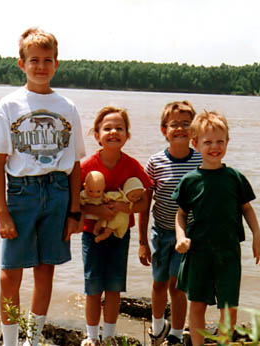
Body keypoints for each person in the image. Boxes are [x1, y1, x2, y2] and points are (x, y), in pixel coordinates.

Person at [0, 27, 86, 346]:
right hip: (21, 193)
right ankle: (11, 341)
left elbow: (74, 164)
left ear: (56, 64)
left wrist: (74, 211)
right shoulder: (9, 105)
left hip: (57, 192)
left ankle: (33, 338)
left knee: (45, 271)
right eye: (34, 60)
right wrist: (2, 212)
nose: (41, 66)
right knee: (10, 271)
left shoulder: (67, 106)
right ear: (21, 64)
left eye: (47, 60)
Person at [172, 110, 260, 346]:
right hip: (199, 253)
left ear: (227, 142)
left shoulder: (234, 177)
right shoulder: (190, 181)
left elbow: (247, 209)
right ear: (195, 144)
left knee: (229, 307)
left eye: (220, 142)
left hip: (228, 253)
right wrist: (180, 237)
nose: (214, 147)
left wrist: (258, 236)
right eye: (208, 142)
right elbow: (180, 215)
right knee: (197, 305)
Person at [79, 106, 153, 346]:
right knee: (93, 286)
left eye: (119, 128)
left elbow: (144, 200)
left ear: (127, 135)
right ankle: (91, 337)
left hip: (120, 235)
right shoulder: (86, 166)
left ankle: (109, 335)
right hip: (92, 234)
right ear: (96, 135)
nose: (113, 132)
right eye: (107, 128)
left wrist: (126, 208)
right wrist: (95, 210)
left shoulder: (131, 166)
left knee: (113, 286)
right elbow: (74, 203)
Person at [138, 101, 202, 346]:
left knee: (177, 286)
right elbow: (145, 205)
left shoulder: (200, 161)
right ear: (164, 130)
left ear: (194, 130)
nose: (180, 129)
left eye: (186, 124)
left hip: (186, 236)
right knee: (158, 284)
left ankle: (176, 333)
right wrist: (143, 242)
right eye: (174, 124)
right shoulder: (155, 163)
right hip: (160, 232)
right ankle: (157, 328)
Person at [80, 171, 107, 239]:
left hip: (99, 216)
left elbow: (106, 200)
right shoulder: (84, 194)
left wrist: (106, 200)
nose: (94, 194)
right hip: (88, 218)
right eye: (90, 191)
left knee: (103, 219)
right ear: (85, 186)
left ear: (104, 187)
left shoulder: (103, 195)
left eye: (98, 191)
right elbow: (79, 202)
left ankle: (98, 228)